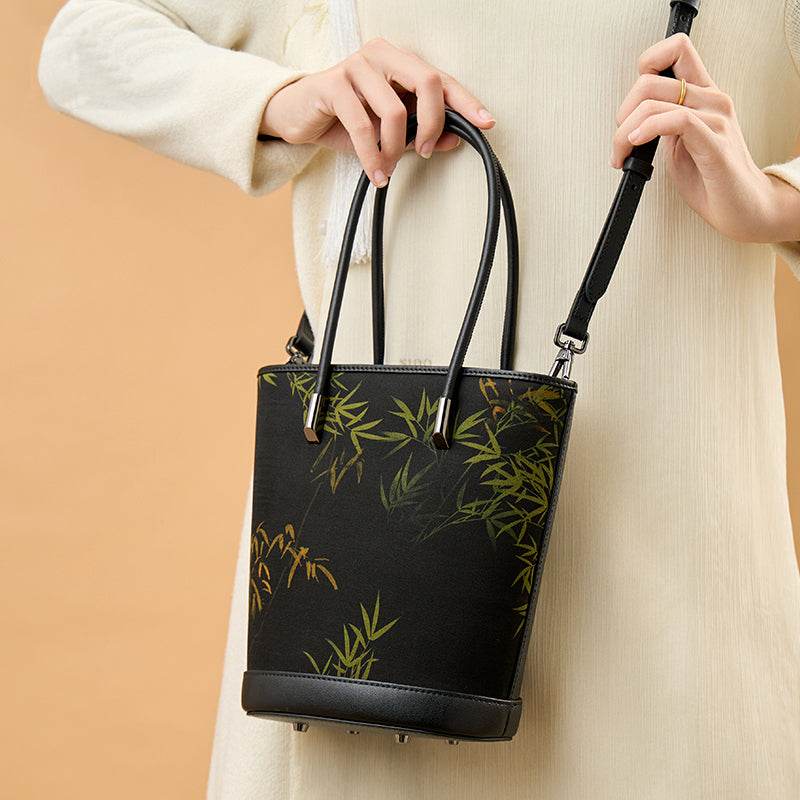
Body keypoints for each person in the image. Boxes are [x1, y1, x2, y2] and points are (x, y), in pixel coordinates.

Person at [38, 2, 800, 798]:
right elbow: (87, 43)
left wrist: (775, 199)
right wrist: (286, 98)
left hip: (676, 561)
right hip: (380, 565)